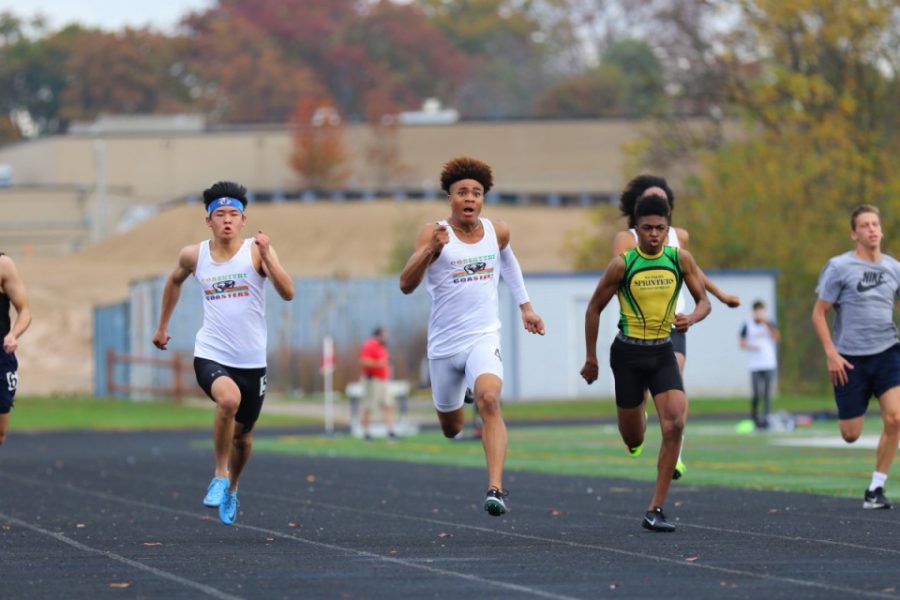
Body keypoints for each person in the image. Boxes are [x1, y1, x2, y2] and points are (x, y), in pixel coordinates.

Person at [399, 156, 545, 517]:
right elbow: (405, 284)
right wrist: (432, 249)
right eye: (462, 192)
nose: (469, 198)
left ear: (483, 199)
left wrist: (525, 306)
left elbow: (508, 262)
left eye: (476, 193)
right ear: (449, 197)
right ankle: (462, 392)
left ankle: (495, 488)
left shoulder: (498, 231)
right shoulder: (432, 233)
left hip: (483, 336)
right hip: (445, 346)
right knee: (451, 429)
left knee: (490, 400)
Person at [152, 181, 294, 525]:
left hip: (252, 362)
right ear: (209, 221)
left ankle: (232, 488)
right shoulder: (194, 255)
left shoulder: (257, 251)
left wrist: (269, 255)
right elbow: (174, 281)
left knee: (243, 437)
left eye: (233, 214)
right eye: (220, 215)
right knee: (227, 401)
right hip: (212, 353)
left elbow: (288, 292)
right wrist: (162, 326)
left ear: (243, 220)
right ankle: (219, 474)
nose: (227, 220)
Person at [581, 193, 711, 532]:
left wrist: (692, 319)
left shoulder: (679, 259)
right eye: (648, 228)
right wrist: (591, 358)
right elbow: (594, 307)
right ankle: (636, 426)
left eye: (660, 228)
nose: (654, 234)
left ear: (667, 230)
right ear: (636, 230)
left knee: (675, 424)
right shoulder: (622, 264)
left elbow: (704, 302)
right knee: (634, 438)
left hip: (662, 351)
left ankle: (655, 508)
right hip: (627, 355)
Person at [612, 174, 740, 480]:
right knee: (641, 392)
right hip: (639, 329)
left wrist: (720, 296)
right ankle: (636, 425)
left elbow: (691, 268)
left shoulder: (679, 236)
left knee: (675, 382)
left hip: (675, 323)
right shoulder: (626, 238)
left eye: (664, 202)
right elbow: (619, 274)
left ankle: (676, 452)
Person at [811, 204, 900, 510]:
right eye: (865, 225)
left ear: (881, 230)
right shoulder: (839, 267)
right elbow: (818, 313)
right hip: (849, 359)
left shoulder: (893, 268)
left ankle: (876, 488)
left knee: (896, 417)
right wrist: (830, 353)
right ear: (854, 233)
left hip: (888, 352)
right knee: (851, 434)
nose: (872, 229)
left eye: (875, 223)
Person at [0, 253, 32, 446]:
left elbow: (25, 310)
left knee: (1, 433)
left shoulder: (4, 264)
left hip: (1, 354)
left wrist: (14, 334)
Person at [739, 300, 780, 429]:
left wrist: (766, 324)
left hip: (768, 363)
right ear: (753, 312)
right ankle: (754, 417)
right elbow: (742, 343)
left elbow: (777, 337)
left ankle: (766, 418)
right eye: (757, 312)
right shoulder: (747, 324)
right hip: (755, 365)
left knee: (767, 393)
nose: (759, 314)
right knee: (756, 393)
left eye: (761, 312)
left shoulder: (769, 323)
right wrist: (752, 346)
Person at [359, 326, 397, 440]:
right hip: (372, 380)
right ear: (378, 335)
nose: (387, 337)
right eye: (385, 334)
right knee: (369, 406)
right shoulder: (370, 344)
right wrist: (380, 363)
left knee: (388, 405)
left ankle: (391, 432)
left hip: (383, 380)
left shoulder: (382, 347)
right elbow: (364, 361)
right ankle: (366, 432)